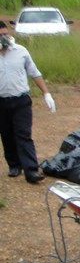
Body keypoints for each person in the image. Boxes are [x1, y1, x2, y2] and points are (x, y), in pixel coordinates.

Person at [0, 20, 55, 184]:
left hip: (21, 100)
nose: (4, 38)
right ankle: (14, 165)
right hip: (1, 102)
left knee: (23, 134)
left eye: (5, 34)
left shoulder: (21, 51)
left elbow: (34, 72)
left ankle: (31, 170)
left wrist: (46, 93)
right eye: (0, 35)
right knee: (6, 134)